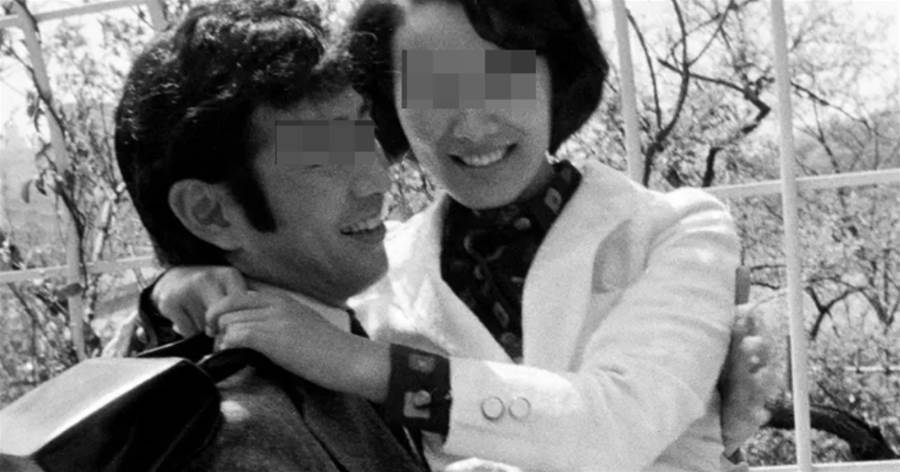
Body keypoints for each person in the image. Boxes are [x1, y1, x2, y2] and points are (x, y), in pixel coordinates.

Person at [137, 0, 774, 470]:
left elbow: (615, 427)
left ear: (555, 74)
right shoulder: (372, 268)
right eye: (433, 89)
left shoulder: (676, 230)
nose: (471, 122)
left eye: (501, 78)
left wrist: (364, 366)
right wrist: (173, 287)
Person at [113, 0, 429, 470]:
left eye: (363, 129)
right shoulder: (243, 437)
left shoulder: (336, 324)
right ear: (210, 213)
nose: (378, 179)